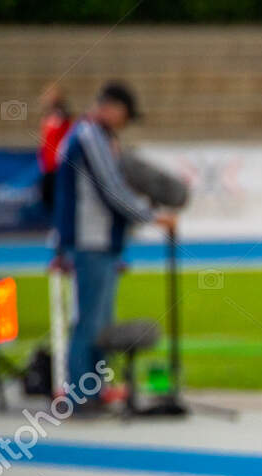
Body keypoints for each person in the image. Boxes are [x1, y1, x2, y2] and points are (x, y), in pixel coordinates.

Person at [51, 81, 175, 411]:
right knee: (90, 322)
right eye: (125, 116)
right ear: (113, 108)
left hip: (102, 239)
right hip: (91, 239)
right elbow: (112, 188)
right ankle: (80, 395)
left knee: (100, 322)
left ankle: (94, 389)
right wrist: (152, 216)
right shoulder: (89, 136)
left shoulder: (97, 136)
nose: (124, 123)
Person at [36, 84, 72, 211]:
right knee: (47, 199)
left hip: (59, 166)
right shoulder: (46, 117)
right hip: (48, 166)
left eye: (50, 95)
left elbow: (68, 138)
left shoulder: (64, 116)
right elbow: (44, 141)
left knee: (60, 200)